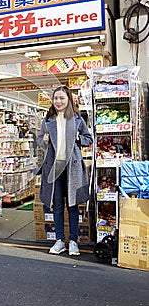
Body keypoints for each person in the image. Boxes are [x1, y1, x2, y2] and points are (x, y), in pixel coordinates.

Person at [37, 86, 93, 256]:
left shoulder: (77, 119)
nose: (58, 102)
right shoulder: (47, 120)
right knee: (58, 205)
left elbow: (88, 138)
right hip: (55, 168)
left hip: (72, 167)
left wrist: (78, 138)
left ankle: (74, 241)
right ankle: (60, 240)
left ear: (68, 99)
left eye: (62, 98)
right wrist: (44, 140)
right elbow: (39, 140)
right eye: (56, 98)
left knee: (73, 205)